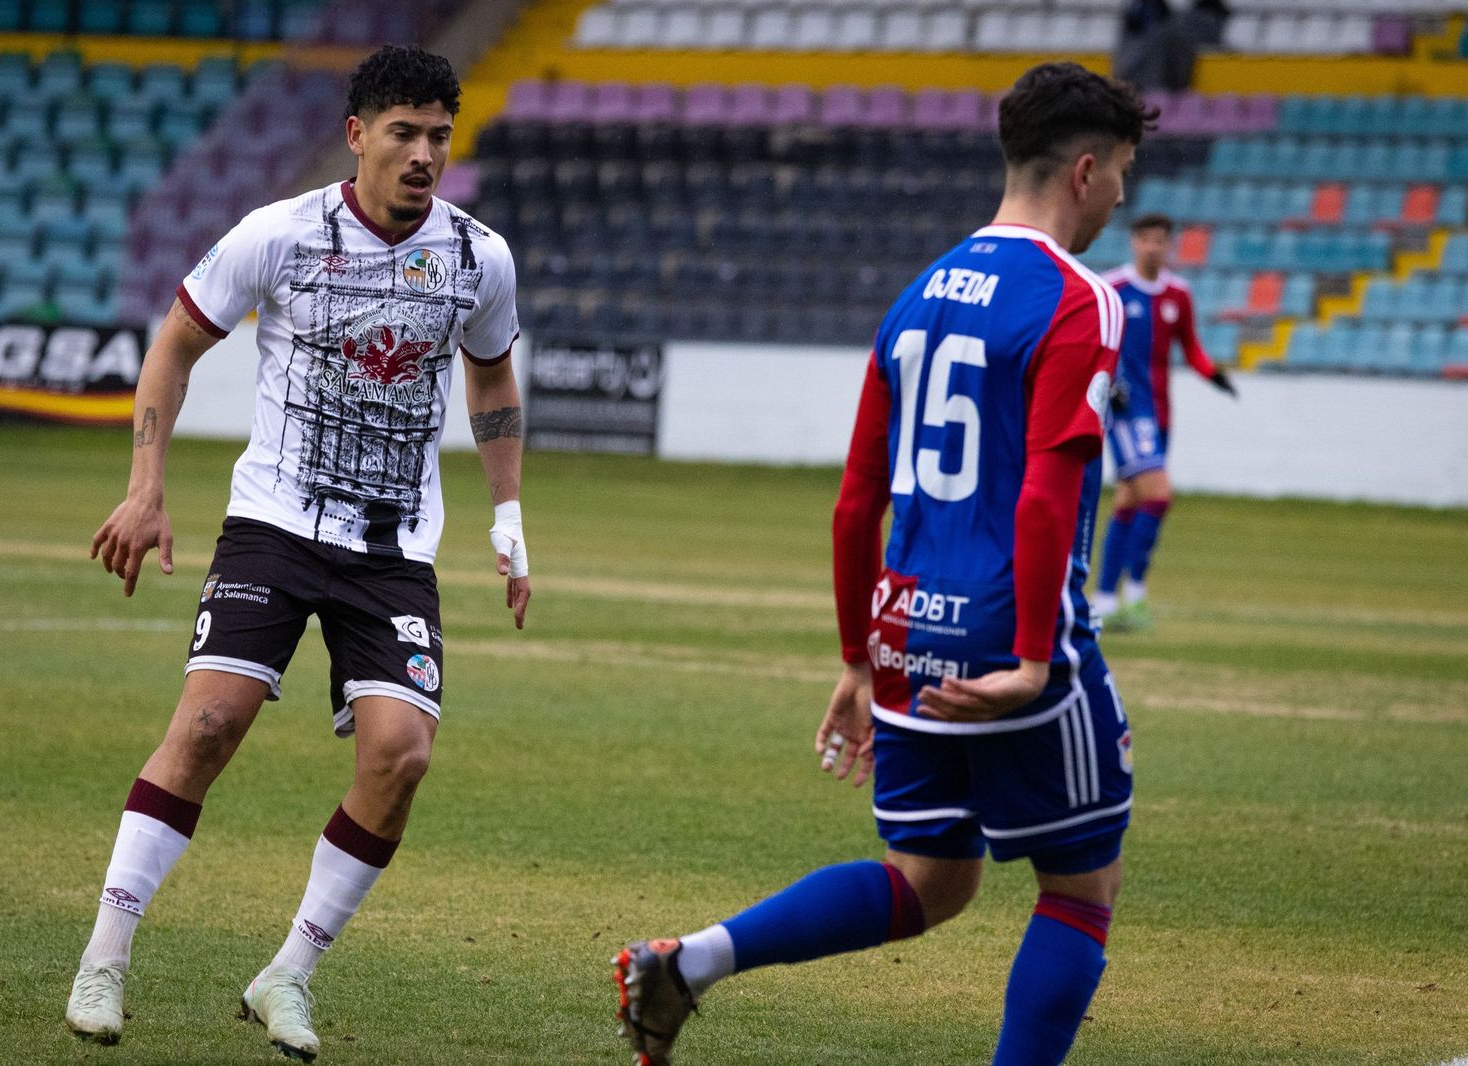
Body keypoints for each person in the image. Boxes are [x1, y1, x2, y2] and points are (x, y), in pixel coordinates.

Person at [613, 62, 1154, 1066]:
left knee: (932, 876)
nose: (1120, 195)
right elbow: (1044, 492)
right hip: (1010, 638)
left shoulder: (917, 297)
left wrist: (861, 656)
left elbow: (857, 496)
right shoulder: (1081, 301)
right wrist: (1035, 658)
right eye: (1120, 172)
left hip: (907, 628)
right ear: (1085, 170)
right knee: (1081, 888)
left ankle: (689, 962)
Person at [65, 44, 530, 1061]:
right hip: (274, 523)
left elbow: (491, 381)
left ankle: (288, 972)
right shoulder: (278, 236)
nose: (422, 156)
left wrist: (507, 519)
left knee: (401, 753)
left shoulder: (476, 257)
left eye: (438, 138)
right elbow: (174, 344)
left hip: (392, 549)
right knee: (207, 727)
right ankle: (104, 956)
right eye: (402, 133)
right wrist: (145, 489)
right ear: (357, 135)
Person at [1095, 213, 1234, 632]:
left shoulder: (1179, 294)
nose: (1153, 247)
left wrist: (1214, 375)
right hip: (1126, 412)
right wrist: (1106, 381)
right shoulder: (1112, 289)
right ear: (1134, 243)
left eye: (1161, 240)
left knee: (1129, 503)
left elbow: (1191, 347)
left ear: (1169, 245)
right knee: (1159, 496)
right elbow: (1093, 342)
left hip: (1159, 415)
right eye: (1146, 240)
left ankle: (1102, 602)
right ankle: (1134, 594)